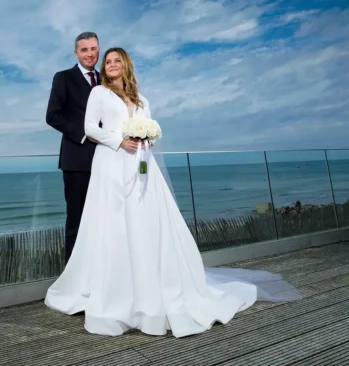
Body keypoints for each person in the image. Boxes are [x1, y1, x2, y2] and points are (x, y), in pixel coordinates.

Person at [45, 47, 301, 337]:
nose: (112, 64)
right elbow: (91, 128)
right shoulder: (100, 94)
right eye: (109, 61)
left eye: (117, 60)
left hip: (142, 166)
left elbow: (150, 128)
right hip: (112, 163)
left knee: (147, 222)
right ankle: (118, 289)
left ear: (126, 65)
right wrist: (119, 140)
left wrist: (146, 140)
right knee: (114, 223)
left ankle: (153, 283)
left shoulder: (142, 99)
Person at [45, 31, 101, 263]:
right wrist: (84, 136)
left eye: (94, 49)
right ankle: (72, 279)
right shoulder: (63, 77)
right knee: (76, 223)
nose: (90, 54)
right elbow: (53, 116)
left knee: (103, 220)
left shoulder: (105, 79)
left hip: (107, 160)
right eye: (84, 49)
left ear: (99, 50)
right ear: (76, 53)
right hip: (77, 160)